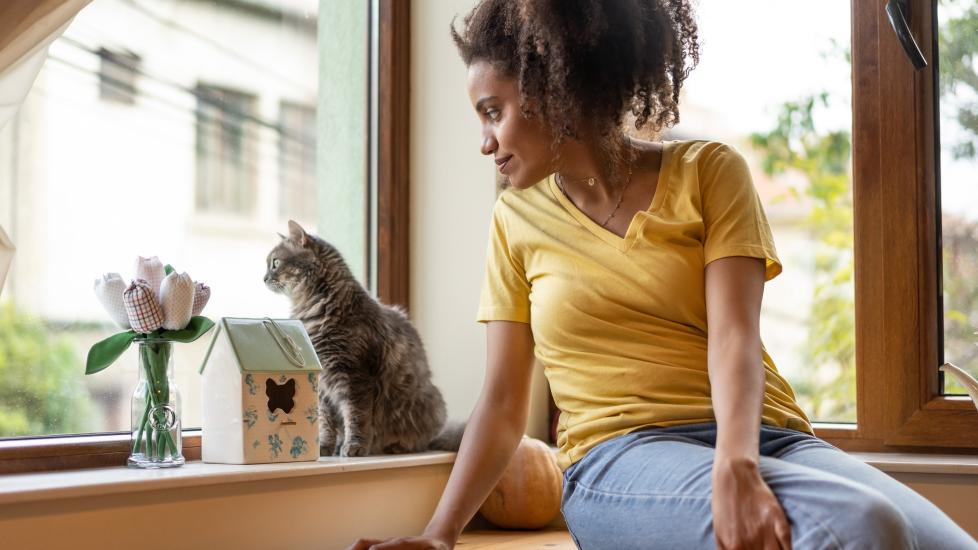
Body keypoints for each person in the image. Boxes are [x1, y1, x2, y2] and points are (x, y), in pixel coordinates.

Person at [347, 1, 978, 549]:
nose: (484, 141)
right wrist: (440, 532)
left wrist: (736, 463)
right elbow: (505, 402)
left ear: (551, 89)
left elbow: (734, 337)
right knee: (864, 527)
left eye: (493, 111)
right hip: (621, 457)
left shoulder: (709, 171)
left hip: (768, 439)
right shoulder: (515, 220)